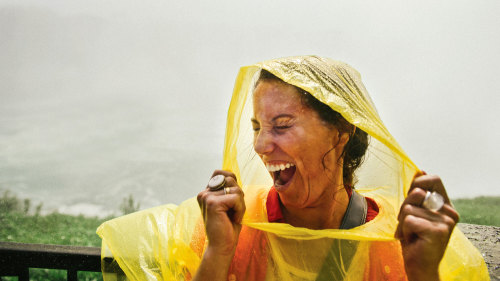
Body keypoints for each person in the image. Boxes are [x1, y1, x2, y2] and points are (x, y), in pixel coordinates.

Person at [97, 56, 489, 281]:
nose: (261, 145)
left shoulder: (399, 242)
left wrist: (423, 272)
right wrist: (218, 253)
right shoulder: (228, 228)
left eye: (282, 126)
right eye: (256, 127)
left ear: (341, 132)